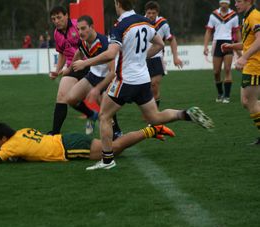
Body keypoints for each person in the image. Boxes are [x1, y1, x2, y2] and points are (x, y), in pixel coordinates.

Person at [73, 0, 214, 170]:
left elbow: (110, 54)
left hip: (125, 80)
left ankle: (107, 160)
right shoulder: (145, 20)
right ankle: (186, 114)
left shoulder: (119, 25)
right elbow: (160, 44)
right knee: (155, 117)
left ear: (118, 3)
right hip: (143, 79)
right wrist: (141, 58)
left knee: (104, 116)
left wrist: (85, 63)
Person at [0, 121, 175, 165]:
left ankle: (151, 130)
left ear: (2, 139)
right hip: (67, 139)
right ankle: (150, 132)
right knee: (114, 150)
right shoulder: (22, 132)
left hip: (68, 148)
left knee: (113, 150)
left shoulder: (10, 146)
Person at [62, 15, 122, 138]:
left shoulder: (104, 43)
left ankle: (117, 132)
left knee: (106, 115)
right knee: (70, 99)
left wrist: (97, 89)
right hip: (92, 76)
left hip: (107, 81)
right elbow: (78, 53)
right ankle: (91, 115)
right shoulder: (83, 42)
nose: (80, 32)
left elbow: (112, 73)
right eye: (78, 29)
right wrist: (68, 69)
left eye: (83, 28)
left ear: (92, 27)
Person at [48, 6, 97, 135]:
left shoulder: (78, 25)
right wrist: (57, 70)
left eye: (59, 17)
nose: (56, 21)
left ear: (66, 15)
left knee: (101, 98)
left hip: (89, 63)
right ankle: (55, 134)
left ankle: (115, 132)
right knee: (63, 96)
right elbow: (62, 54)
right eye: (53, 19)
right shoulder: (56, 33)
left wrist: (69, 68)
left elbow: (87, 45)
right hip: (73, 67)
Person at [221, 0, 260, 145]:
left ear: (249, 1)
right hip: (250, 65)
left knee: (251, 103)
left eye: (239, 1)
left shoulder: (254, 16)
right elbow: (249, 43)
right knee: (246, 102)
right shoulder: (246, 17)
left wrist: (244, 57)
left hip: (255, 65)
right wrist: (232, 46)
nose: (236, 4)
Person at [144, 1, 183, 107]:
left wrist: (175, 57)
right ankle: (148, 110)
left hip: (157, 57)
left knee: (154, 84)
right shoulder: (141, 22)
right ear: (145, 13)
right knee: (145, 87)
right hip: (142, 59)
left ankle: (155, 113)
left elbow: (172, 39)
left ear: (157, 13)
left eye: (153, 13)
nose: (151, 15)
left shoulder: (163, 24)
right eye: (149, 13)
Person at [204, 0, 241, 104]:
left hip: (228, 42)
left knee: (228, 69)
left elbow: (237, 31)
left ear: (228, 3)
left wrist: (240, 44)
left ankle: (227, 96)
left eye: (225, 3)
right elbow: (208, 31)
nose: (223, 5)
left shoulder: (234, 15)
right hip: (217, 43)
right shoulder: (213, 15)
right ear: (220, 3)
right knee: (216, 72)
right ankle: (220, 93)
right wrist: (206, 46)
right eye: (222, 3)